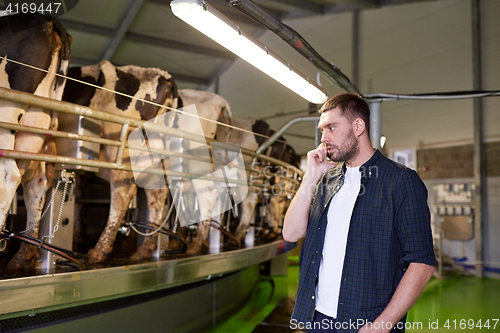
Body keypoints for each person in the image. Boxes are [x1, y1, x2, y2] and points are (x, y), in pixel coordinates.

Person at [283, 93, 436, 333]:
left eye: (331, 127)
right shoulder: (327, 181)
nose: (323, 139)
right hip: (317, 318)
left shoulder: (400, 181)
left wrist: (382, 325)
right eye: (322, 130)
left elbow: (422, 263)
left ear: (358, 126)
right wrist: (310, 177)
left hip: (366, 323)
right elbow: (291, 234)